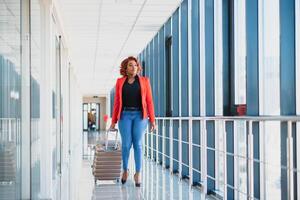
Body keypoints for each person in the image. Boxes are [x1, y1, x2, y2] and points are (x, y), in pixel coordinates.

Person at [110, 56, 156, 187]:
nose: (134, 67)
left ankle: (138, 173)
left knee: (138, 144)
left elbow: (149, 101)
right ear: (126, 68)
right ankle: (125, 170)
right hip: (124, 115)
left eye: (135, 65)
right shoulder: (120, 82)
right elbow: (117, 103)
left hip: (140, 116)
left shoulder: (144, 81)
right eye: (131, 65)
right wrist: (113, 121)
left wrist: (153, 120)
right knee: (126, 145)